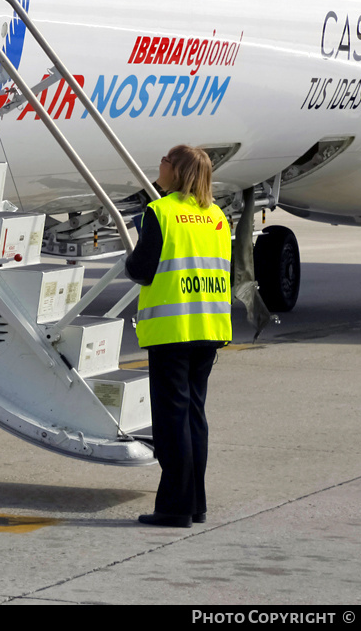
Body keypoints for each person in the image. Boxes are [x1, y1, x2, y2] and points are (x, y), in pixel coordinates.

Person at [124, 143, 232, 528]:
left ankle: (173, 507)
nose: (159, 165)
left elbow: (141, 269)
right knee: (194, 417)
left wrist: (131, 252)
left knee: (171, 422)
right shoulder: (217, 216)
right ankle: (195, 504)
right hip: (209, 326)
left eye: (165, 161)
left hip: (172, 329)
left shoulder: (160, 212)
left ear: (177, 171)